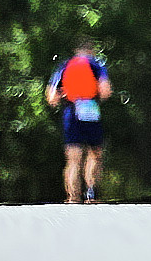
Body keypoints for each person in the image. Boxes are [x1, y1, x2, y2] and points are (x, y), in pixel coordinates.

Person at [43, 42, 111, 203]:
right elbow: (106, 90)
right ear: (91, 51)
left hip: (71, 111)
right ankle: (91, 194)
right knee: (95, 153)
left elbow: (51, 97)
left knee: (73, 159)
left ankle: (73, 197)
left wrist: (65, 98)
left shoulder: (65, 66)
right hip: (91, 109)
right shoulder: (96, 65)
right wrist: (96, 98)